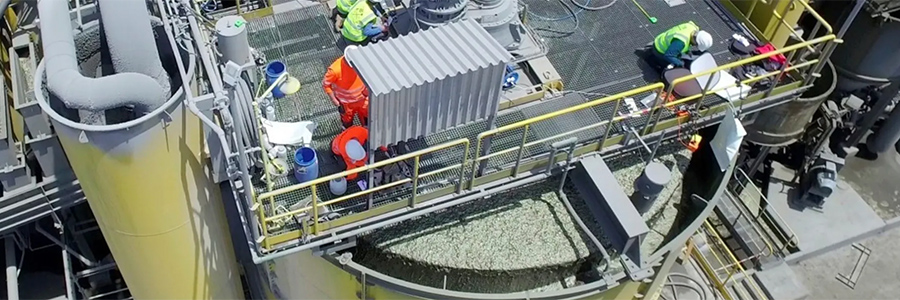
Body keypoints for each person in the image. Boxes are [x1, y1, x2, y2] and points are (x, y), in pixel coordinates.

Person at [322, 46, 368, 129]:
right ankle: (347, 132)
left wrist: (367, 90)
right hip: (346, 103)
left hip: (363, 99)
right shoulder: (335, 70)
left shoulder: (362, 62)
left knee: (367, 119)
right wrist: (334, 100)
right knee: (347, 121)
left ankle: (365, 132)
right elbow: (326, 84)